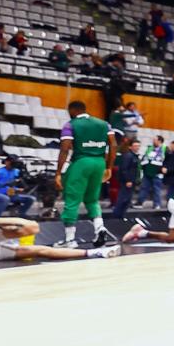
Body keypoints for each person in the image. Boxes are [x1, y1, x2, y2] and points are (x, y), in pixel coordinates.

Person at [56, 100, 116, 248]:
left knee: (72, 199)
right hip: (99, 162)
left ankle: (69, 240)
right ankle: (99, 227)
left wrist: (58, 172)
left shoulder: (71, 125)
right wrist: (109, 167)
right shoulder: (104, 124)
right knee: (92, 199)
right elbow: (113, 145)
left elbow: (65, 149)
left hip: (81, 162)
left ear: (72, 111)